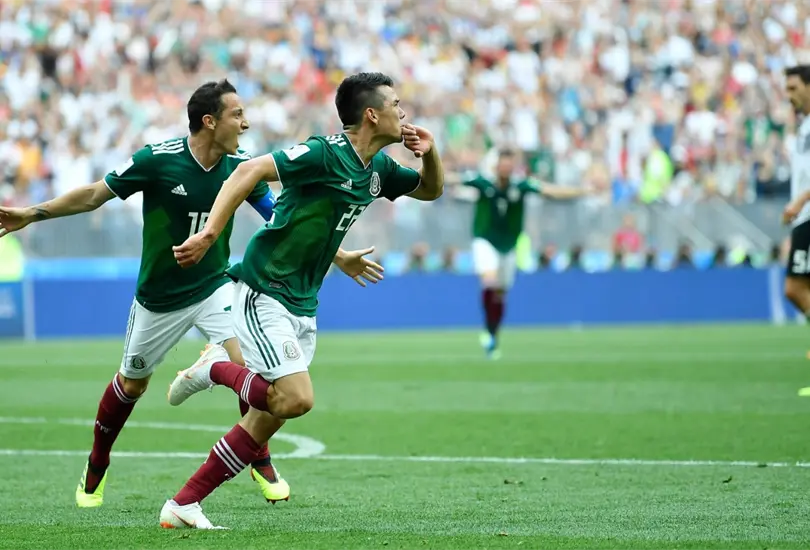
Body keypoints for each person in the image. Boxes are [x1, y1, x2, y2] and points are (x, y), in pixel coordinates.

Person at [0, 79, 381, 508]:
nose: (246, 123)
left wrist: (340, 254)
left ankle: (260, 457)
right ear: (209, 121)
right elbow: (93, 196)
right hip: (158, 299)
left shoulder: (240, 168)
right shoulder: (158, 161)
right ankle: (97, 461)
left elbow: (284, 221)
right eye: (237, 115)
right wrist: (30, 215)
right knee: (132, 384)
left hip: (215, 284)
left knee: (250, 365)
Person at [157, 72, 444, 529]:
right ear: (372, 114)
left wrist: (430, 156)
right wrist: (210, 232)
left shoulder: (380, 169)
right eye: (395, 104)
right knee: (295, 398)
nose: (403, 112)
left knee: (266, 418)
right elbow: (250, 171)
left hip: (303, 300)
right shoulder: (323, 153)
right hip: (263, 287)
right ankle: (215, 367)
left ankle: (183, 503)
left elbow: (430, 190)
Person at [458, 149, 589, 359]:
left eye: (510, 165)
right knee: (489, 282)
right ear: (496, 166)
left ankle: (492, 333)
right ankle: (489, 330)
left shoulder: (521, 185)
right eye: (503, 164)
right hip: (485, 240)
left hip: (509, 245)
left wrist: (582, 191)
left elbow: (550, 191)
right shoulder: (483, 183)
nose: (506, 168)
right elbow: (454, 179)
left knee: (501, 295)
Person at [781, 65, 810, 396]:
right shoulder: (803, 127)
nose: (789, 96)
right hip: (803, 216)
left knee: (794, 288)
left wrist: (800, 200)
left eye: (793, 88)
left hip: (808, 214)